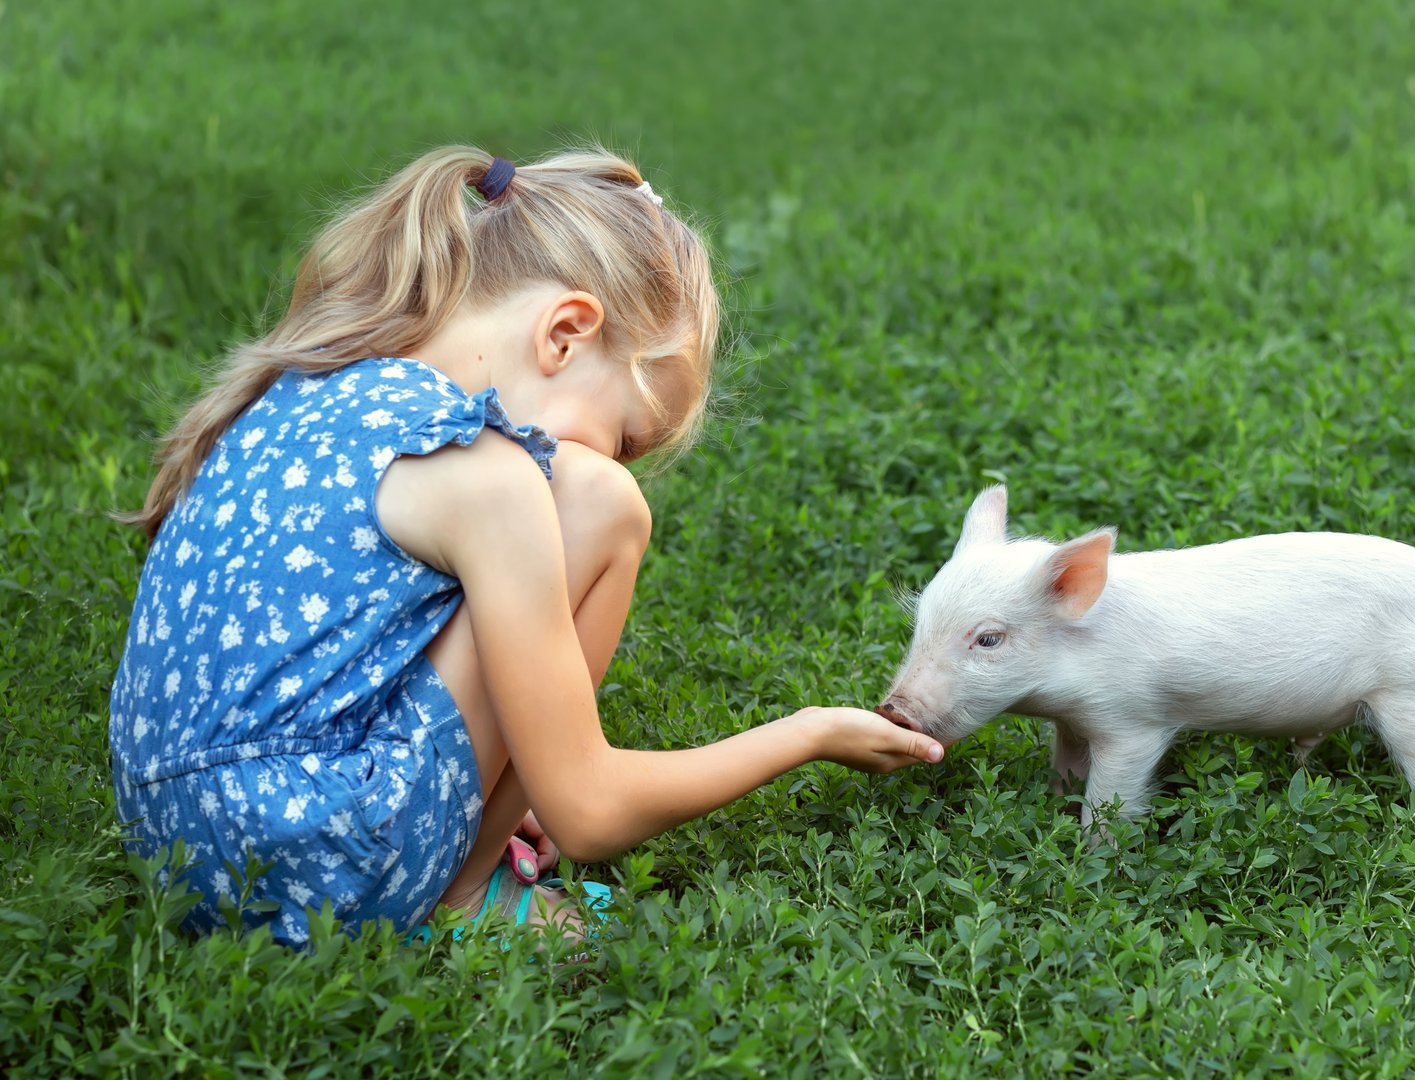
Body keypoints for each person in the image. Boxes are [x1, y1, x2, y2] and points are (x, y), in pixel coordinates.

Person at [107, 145, 944, 949]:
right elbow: (589, 813)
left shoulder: (322, 380)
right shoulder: (488, 476)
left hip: (175, 846)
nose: (610, 461)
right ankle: (466, 895)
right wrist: (806, 734)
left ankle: (466, 833)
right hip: (308, 870)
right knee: (602, 508)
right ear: (567, 333)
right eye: (622, 435)